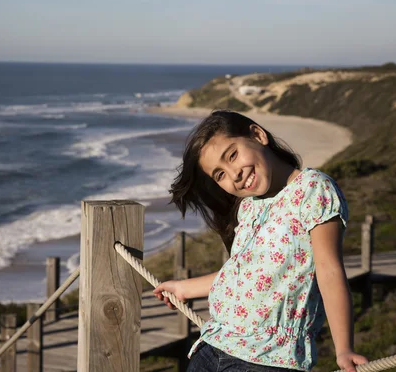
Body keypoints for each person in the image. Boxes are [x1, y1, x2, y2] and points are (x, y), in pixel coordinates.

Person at [153, 110, 367, 372]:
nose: (233, 175)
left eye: (232, 155)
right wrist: (185, 288)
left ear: (258, 135)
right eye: (219, 174)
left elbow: (330, 270)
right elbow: (243, 273)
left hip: (268, 359)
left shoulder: (313, 189)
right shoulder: (249, 207)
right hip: (211, 349)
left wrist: (344, 348)